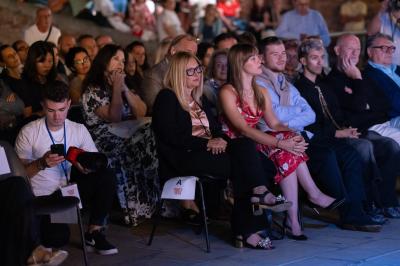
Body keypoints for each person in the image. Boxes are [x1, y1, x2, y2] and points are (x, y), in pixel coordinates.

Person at [152, 51, 289, 249]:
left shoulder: (199, 98)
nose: (197, 74)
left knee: (256, 157)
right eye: (190, 71)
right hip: (184, 158)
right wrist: (207, 143)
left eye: (198, 69)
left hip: (211, 153)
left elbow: (217, 129)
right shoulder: (167, 97)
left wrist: (222, 140)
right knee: (251, 167)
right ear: (177, 74)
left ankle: (251, 217)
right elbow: (169, 135)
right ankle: (248, 227)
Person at [219, 43, 340, 240]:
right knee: (285, 148)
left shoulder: (260, 92)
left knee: (290, 144)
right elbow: (243, 129)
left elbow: (274, 124)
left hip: (255, 142)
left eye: (259, 57)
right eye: (254, 59)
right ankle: (307, 203)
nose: (260, 61)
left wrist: (293, 135)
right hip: (235, 145)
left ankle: (296, 216)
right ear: (240, 63)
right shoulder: (228, 91)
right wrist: (281, 143)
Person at [15, 80, 118, 255]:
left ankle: (94, 231)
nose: (57, 116)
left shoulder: (78, 129)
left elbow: (95, 164)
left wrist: (84, 166)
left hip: (71, 189)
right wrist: (41, 163)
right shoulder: (29, 131)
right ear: (42, 106)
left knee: (106, 175)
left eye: (62, 110)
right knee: (57, 239)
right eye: (51, 110)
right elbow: (18, 180)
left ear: (69, 104)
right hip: (45, 196)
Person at [294, 39, 387, 229]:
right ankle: (354, 211)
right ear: (303, 61)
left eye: (322, 57)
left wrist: (346, 129)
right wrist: (337, 133)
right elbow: (304, 126)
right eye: (314, 58)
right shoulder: (299, 89)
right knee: (348, 152)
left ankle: (357, 212)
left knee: (352, 154)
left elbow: (342, 112)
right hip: (315, 140)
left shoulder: (324, 85)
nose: (320, 62)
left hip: (333, 135)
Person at [81, 44, 158, 226]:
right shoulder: (93, 90)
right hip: (101, 138)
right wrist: (116, 89)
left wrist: (124, 89)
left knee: (150, 130)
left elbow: (141, 111)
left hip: (125, 132)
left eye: (123, 61)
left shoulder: (124, 83)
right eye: (116, 59)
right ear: (104, 61)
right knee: (143, 141)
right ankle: (134, 208)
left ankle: (149, 203)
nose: (120, 64)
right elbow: (113, 118)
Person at [325, 34, 400, 218]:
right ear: (337, 50)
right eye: (350, 49)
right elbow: (358, 108)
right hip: (351, 131)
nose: (354, 54)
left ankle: (386, 202)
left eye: (357, 50)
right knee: (379, 146)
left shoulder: (360, 74)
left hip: (367, 127)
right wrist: (358, 87)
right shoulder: (333, 80)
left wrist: (359, 98)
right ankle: (373, 203)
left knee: (388, 146)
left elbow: (382, 105)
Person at [141, 34, 197, 114]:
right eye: (188, 52)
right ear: (173, 51)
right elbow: (155, 109)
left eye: (194, 54)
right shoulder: (153, 76)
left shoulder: (192, 74)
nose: (192, 57)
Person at [363, 33, 400, 126]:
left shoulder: (398, 69)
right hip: (393, 118)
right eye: (383, 48)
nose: (389, 52)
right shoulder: (367, 75)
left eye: (391, 48)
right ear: (370, 51)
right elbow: (391, 103)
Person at [20, 41, 59, 119]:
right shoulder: (24, 83)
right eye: (41, 61)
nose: (47, 65)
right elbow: (27, 116)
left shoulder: (53, 79)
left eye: (50, 61)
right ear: (32, 61)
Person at [368, 0, 400, 65]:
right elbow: (370, 32)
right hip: (385, 66)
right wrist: (381, 10)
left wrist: (398, 17)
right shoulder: (383, 15)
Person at [203, 48, 228, 116]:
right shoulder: (205, 90)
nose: (223, 68)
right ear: (213, 67)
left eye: (227, 65)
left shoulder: (235, 86)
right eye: (219, 65)